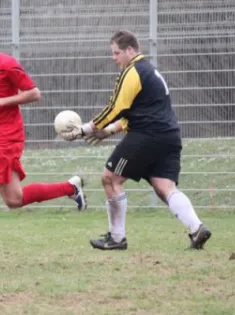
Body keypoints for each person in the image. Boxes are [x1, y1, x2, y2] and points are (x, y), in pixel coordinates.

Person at [0, 19, 87, 270]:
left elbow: (33, 92)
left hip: (6, 138)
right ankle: (70, 187)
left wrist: (2, 101)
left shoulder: (5, 64)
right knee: (14, 199)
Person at [60, 30, 211, 250]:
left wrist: (84, 130)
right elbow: (139, 112)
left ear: (130, 50)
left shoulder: (132, 72)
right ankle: (197, 229)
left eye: (117, 52)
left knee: (111, 178)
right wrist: (109, 131)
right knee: (164, 187)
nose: (114, 58)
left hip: (147, 136)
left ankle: (117, 238)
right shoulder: (149, 71)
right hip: (169, 136)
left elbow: (115, 109)